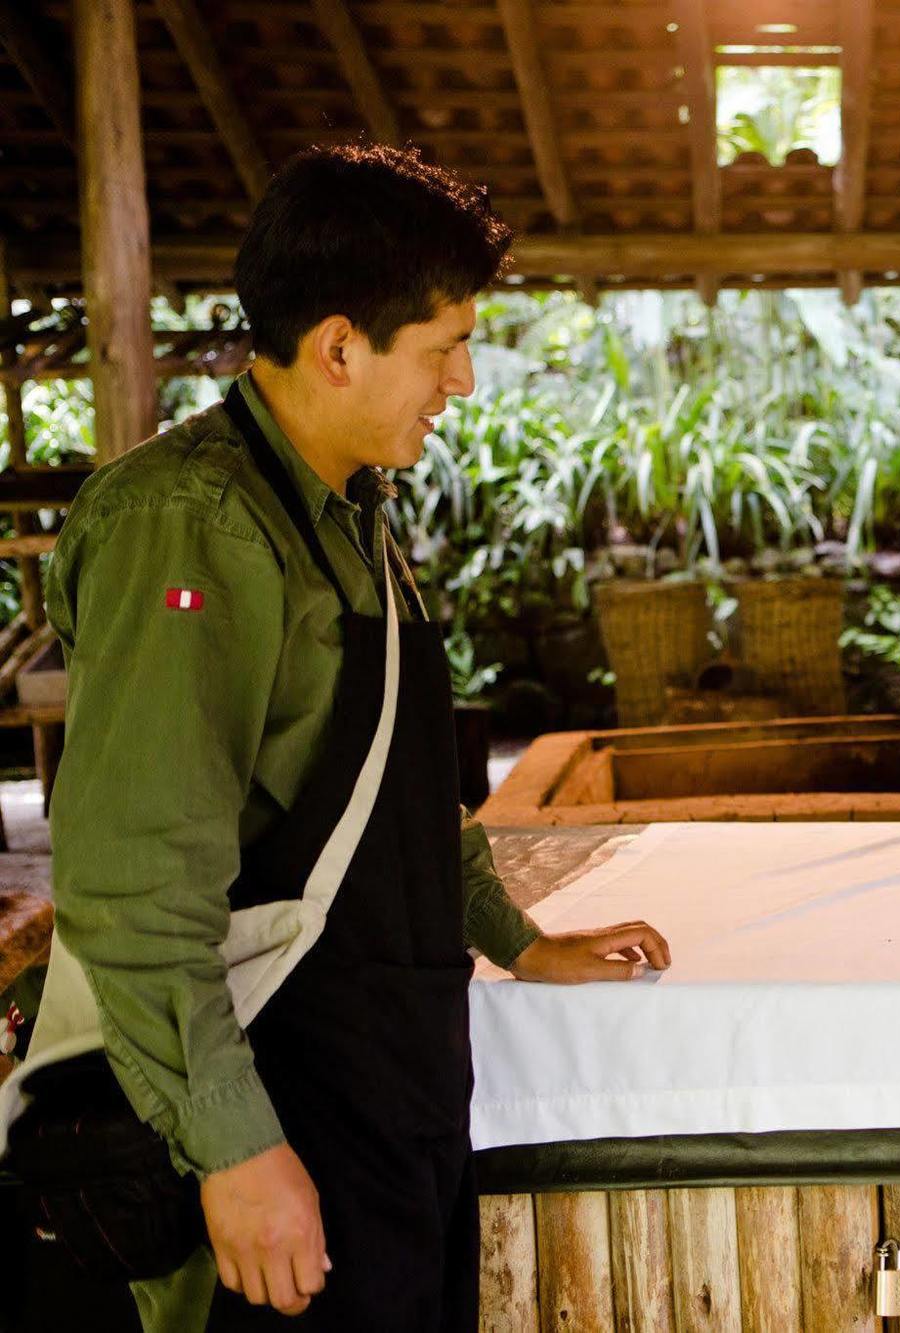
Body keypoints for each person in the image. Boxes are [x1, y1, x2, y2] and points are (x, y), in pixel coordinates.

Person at [2, 145, 670, 1329]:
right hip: (279, 1098)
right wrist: (235, 1150)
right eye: (444, 345)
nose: (462, 380)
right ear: (339, 346)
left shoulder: (347, 512)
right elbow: (136, 882)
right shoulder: (192, 524)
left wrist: (518, 939)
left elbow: (394, 800)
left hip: (385, 1088)